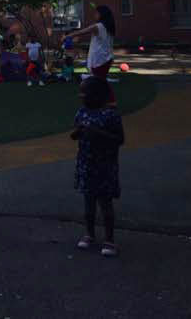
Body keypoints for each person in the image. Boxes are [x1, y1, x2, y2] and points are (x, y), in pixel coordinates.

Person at [71, 76, 125, 257]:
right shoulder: (81, 112)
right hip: (86, 164)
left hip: (105, 166)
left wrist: (97, 133)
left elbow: (119, 139)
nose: (81, 96)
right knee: (88, 202)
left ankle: (109, 239)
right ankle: (89, 234)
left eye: (84, 93)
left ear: (98, 95)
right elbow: (74, 134)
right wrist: (78, 132)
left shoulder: (111, 115)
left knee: (105, 203)